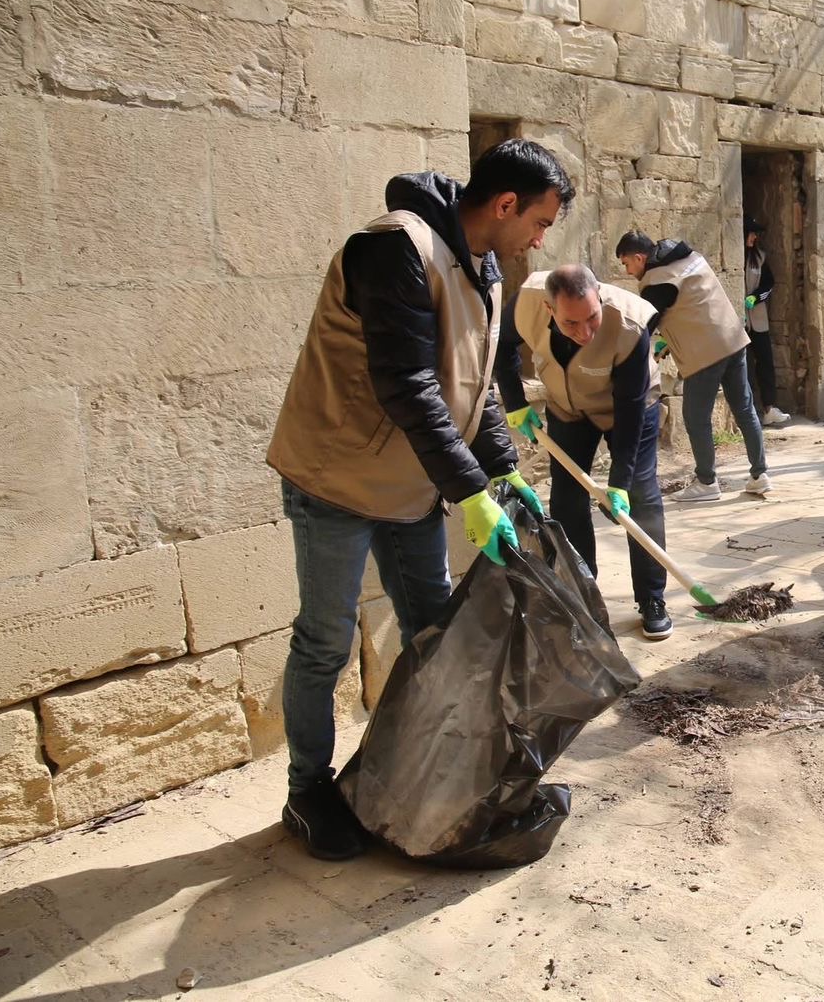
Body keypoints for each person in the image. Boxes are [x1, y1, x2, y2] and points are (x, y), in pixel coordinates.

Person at [265, 139, 573, 860]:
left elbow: (478, 391)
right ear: (505, 205)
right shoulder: (394, 249)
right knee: (325, 640)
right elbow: (408, 384)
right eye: (539, 222)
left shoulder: (485, 269)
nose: (540, 239)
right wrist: (470, 492)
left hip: (410, 485)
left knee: (434, 629)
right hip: (336, 477)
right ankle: (306, 790)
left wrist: (507, 473)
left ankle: (412, 768)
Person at [497, 264, 673, 641]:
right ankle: (582, 594)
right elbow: (501, 344)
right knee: (567, 498)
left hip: (630, 409)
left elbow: (628, 406)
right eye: (571, 324)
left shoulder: (629, 324)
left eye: (592, 318)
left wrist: (619, 483)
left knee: (640, 497)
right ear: (549, 310)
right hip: (567, 406)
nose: (585, 332)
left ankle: (652, 598)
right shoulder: (526, 303)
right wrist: (515, 402)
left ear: (600, 298)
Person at [615, 231, 771, 501]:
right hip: (733, 341)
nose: (628, 271)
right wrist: (668, 343)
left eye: (627, 263)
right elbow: (692, 304)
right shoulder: (688, 257)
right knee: (745, 410)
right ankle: (760, 475)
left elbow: (644, 325)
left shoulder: (657, 280)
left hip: (706, 353)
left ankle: (707, 483)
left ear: (640, 257)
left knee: (696, 418)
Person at [743, 216, 790, 426]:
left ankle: (769, 408)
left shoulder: (759, 257)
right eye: (751, 233)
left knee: (765, 362)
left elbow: (769, 283)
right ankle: (749, 411)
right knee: (744, 367)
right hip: (740, 321)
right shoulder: (735, 255)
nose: (754, 237)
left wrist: (757, 296)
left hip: (758, 319)